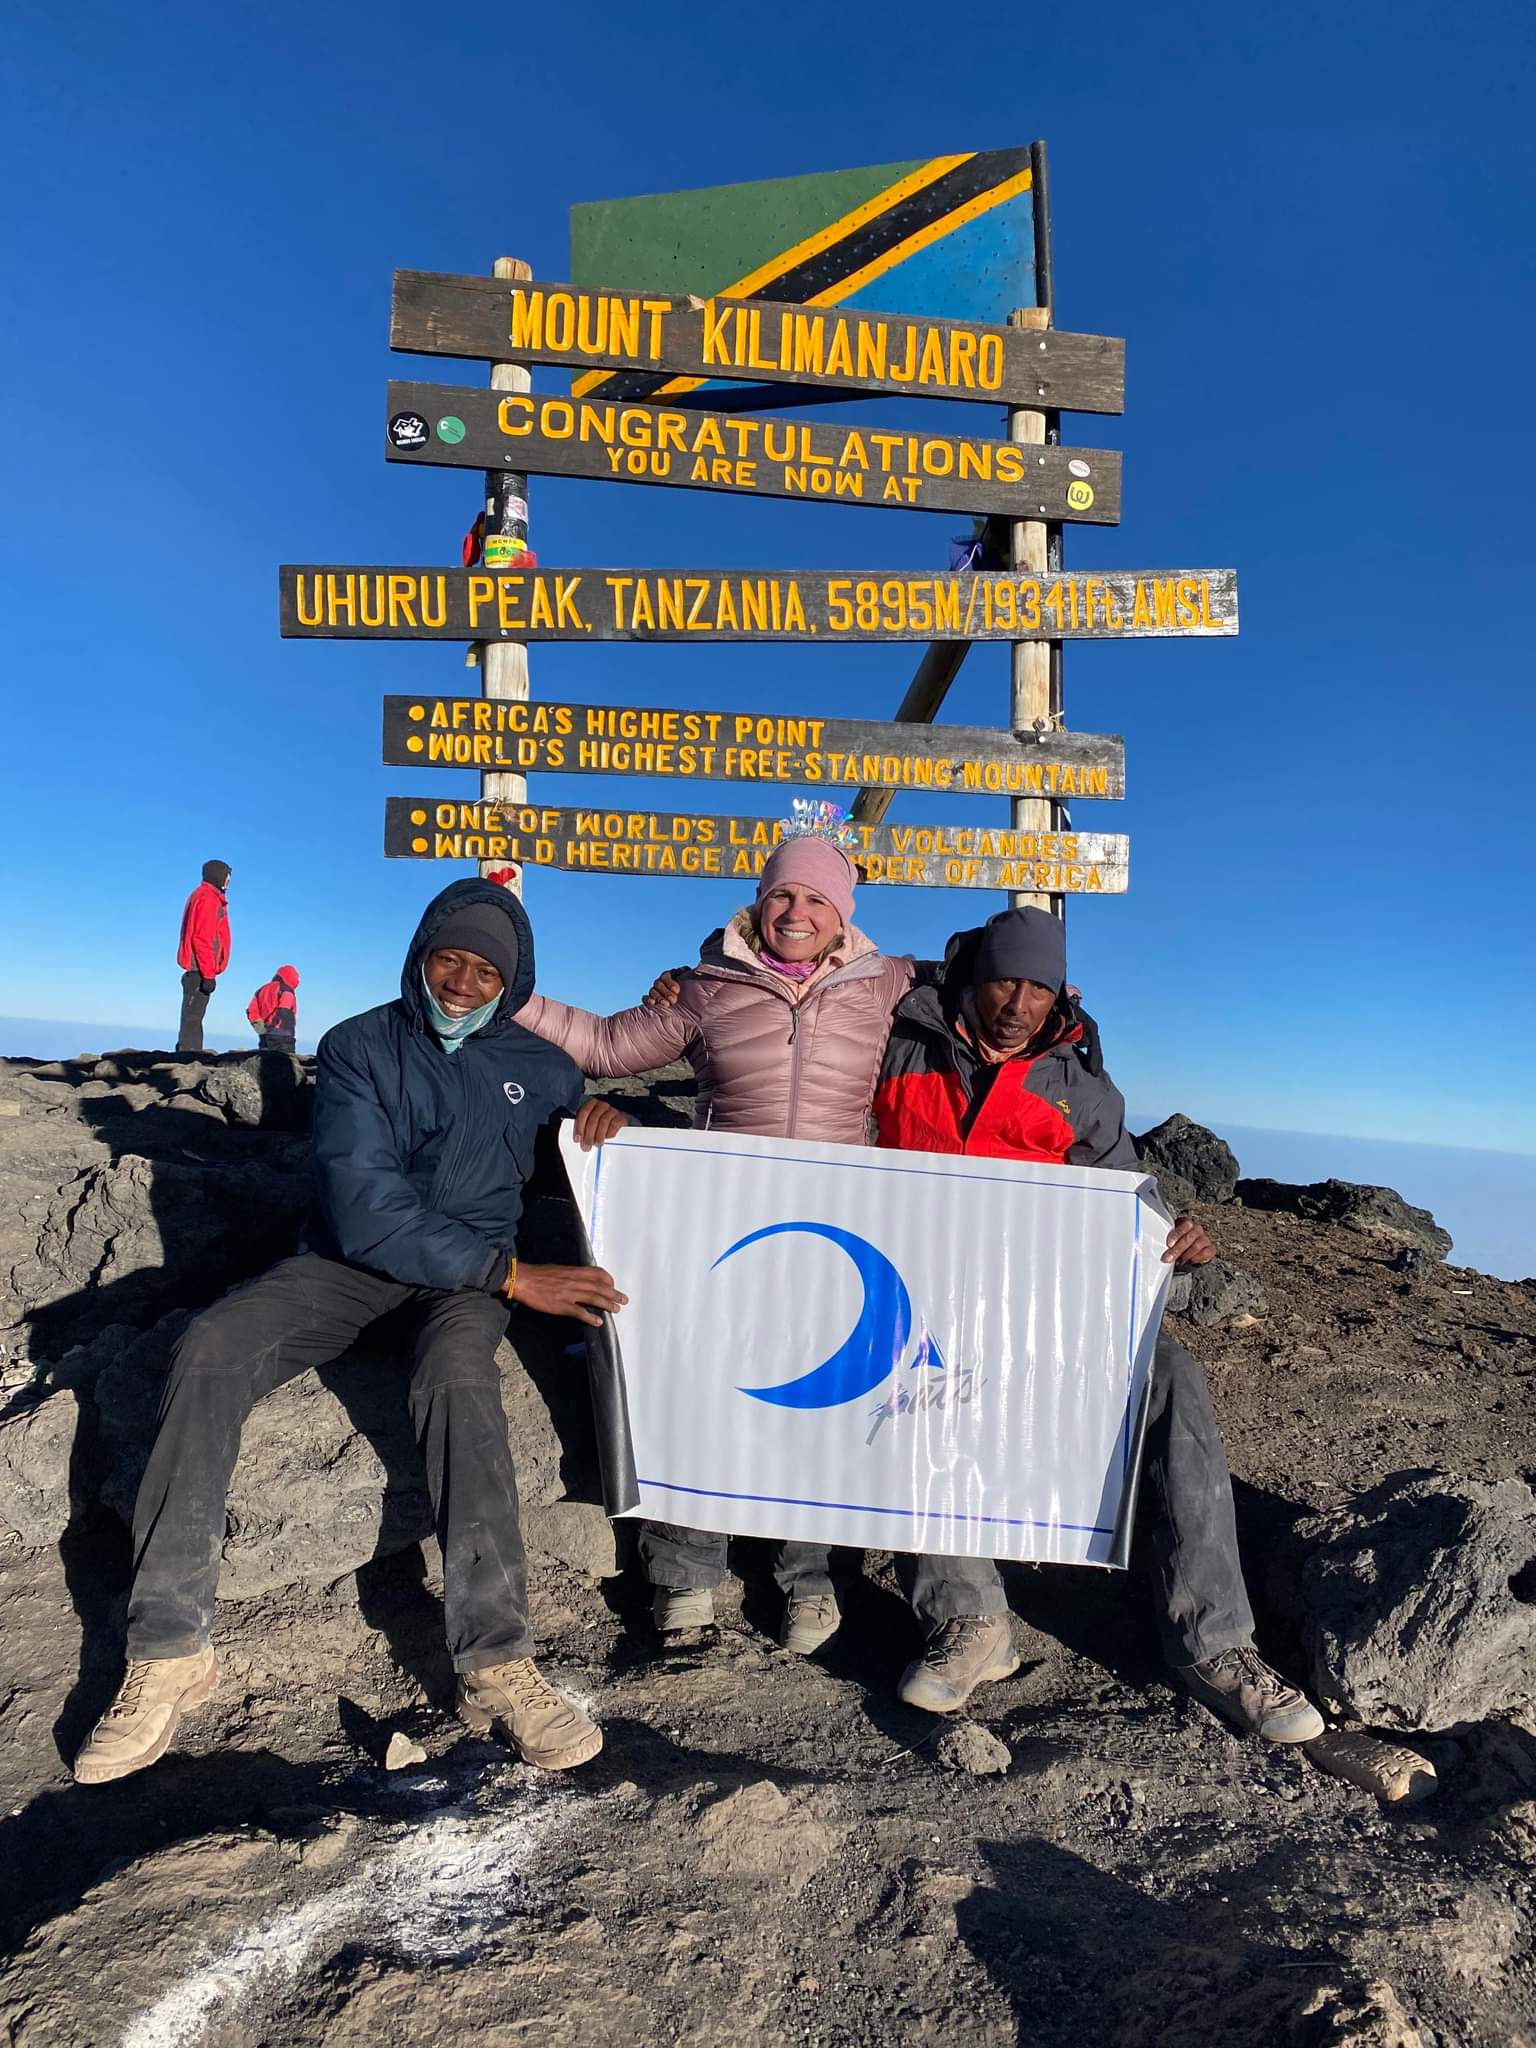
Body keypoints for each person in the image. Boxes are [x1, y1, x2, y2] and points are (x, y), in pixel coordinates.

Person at [73, 879, 627, 1785]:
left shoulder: (546, 1069)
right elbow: (367, 1211)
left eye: (486, 971)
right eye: (448, 958)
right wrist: (516, 1277)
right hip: (348, 1267)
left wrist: (606, 1131)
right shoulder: (359, 1045)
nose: (462, 981)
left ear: (512, 982)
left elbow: (558, 1175)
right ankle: (168, 1650)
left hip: (463, 1285)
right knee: (211, 1347)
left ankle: (495, 1661)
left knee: (459, 1379)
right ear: (420, 955)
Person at [868, 905, 1325, 1744]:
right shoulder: (894, 1048)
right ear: (972, 978)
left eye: (1039, 990)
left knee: (1171, 1379)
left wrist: (1177, 1239)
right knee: (908, 1366)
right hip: (921, 1296)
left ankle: (1213, 1642)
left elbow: (1130, 1207)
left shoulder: (1084, 1092)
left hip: (1044, 1306)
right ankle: (970, 1617)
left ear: (1061, 996)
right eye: (1005, 982)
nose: (1018, 1005)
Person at [518, 818, 919, 1654]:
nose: (796, 912)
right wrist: (506, 992)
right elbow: (604, 1046)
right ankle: (683, 1575)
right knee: (700, 1388)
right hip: (724, 1220)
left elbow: (992, 985)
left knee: (820, 1398)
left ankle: (807, 1578)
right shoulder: (705, 989)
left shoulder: (890, 984)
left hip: (837, 1222)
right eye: (782, 895)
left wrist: (1061, 1003)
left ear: (844, 915)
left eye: (816, 899)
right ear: (758, 903)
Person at [176, 859, 232, 1053]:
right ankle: (189, 1057)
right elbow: (203, 938)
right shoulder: (208, 899)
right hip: (199, 970)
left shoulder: (203, 896)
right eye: (227, 877)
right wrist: (208, 975)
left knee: (192, 1017)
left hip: (198, 969)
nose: (228, 882)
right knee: (193, 1018)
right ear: (219, 876)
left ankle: (188, 1054)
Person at [247, 964, 300, 1051]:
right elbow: (284, 1009)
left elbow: (251, 1011)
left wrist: (262, 1030)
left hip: (265, 1035)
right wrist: (275, 1025)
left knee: (265, 1057)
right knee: (284, 1058)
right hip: (283, 1036)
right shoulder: (286, 990)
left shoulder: (261, 989)